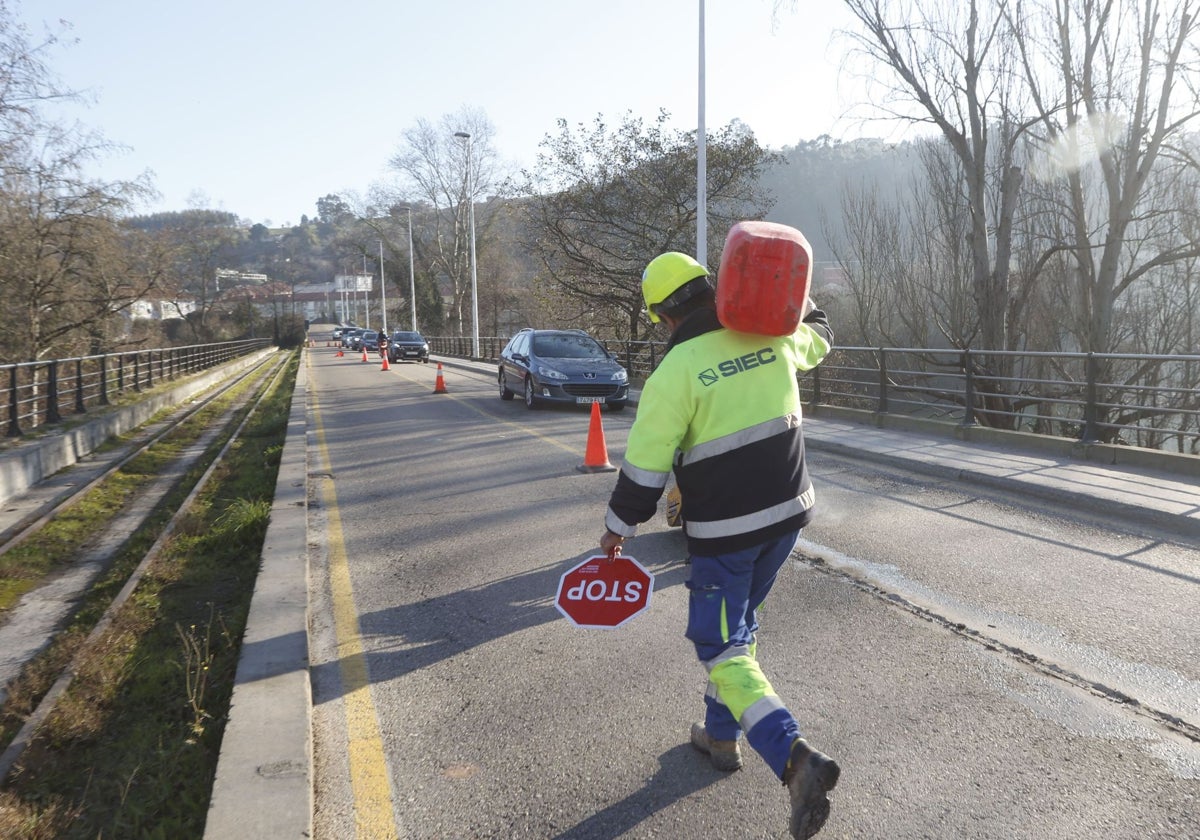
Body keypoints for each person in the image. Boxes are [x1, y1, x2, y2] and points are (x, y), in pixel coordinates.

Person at [599, 251, 840, 839]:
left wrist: (617, 529)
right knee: (740, 624)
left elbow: (646, 469)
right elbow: (821, 336)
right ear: (714, 290)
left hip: (726, 535)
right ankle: (721, 736)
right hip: (787, 520)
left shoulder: (675, 372)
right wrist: (797, 297)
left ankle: (793, 758)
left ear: (661, 317)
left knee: (720, 643)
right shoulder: (773, 339)